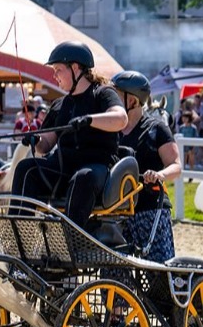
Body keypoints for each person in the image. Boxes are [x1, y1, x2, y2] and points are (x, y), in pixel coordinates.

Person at [10, 41, 128, 228]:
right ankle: (19, 231)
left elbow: (121, 119)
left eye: (58, 70)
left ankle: (71, 237)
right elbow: (46, 145)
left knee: (83, 177)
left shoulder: (103, 93)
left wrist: (89, 119)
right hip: (63, 168)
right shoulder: (59, 104)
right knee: (27, 168)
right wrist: (36, 139)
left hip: (95, 168)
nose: (54, 76)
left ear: (75, 68)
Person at [111, 71, 181, 263]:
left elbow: (175, 165)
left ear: (132, 101)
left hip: (150, 208)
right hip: (116, 212)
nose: (111, 101)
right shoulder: (111, 132)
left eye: (116, 97)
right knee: (113, 270)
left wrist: (159, 175)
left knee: (158, 268)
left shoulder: (157, 129)